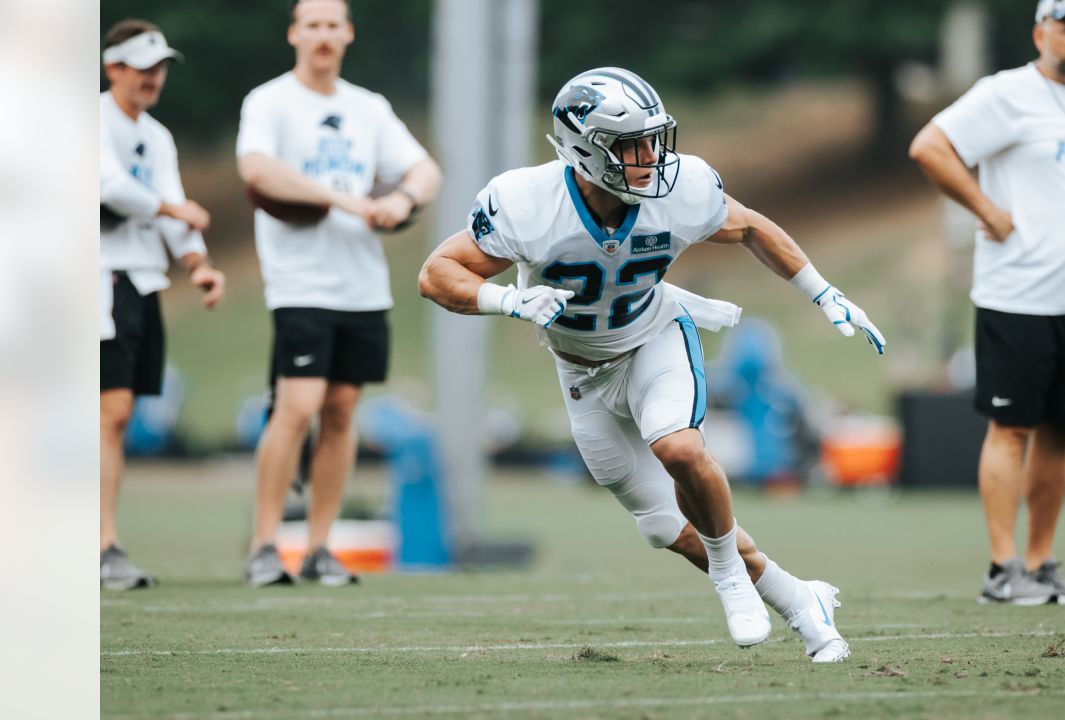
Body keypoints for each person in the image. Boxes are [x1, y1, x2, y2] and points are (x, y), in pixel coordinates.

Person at [419, 67, 885, 663]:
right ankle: (797, 599)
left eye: (653, 139)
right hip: (580, 371)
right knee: (663, 526)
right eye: (631, 145)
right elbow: (436, 274)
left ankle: (730, 577)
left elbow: (750, 227)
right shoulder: (529, 202)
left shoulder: (682, 187)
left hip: (652, 337)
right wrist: (507, 299)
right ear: (584, 150)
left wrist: (825, 293)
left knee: (679, 448)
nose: (650, 157)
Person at [908, 0, 1065, 605]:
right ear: (1039, 33)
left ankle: (1040, 563)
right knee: (1012, 428)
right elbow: (930, 147)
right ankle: (1003, 571)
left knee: (1059, 432)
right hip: (1018, 297)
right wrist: (988, 212)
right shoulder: (1007, 93)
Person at [236, 0, 442, 587]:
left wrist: (402, 201)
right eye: (313, 24)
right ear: (295, 33)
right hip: (300, 283)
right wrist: (346, 199)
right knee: (295, 407)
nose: (324, 34)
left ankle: (320, 547)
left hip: (362, 286)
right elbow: (257, 171)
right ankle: (264, 545)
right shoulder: (270, 101)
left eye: (334, 25)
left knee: (341, 411)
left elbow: (425, 170)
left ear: (347, 34)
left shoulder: (367, 108)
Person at [100, 19, 226, 590]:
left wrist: (198, 264)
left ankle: (103, 546)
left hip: (138, 283)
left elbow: (173, 206)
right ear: (113, 67)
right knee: (103, 413)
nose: (153, 78)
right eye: (142, 66)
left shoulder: (158, 136)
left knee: (116, 416)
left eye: (159, 68)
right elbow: (109, 188)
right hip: (91, 277)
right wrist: (178, 215)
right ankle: (99, 545)